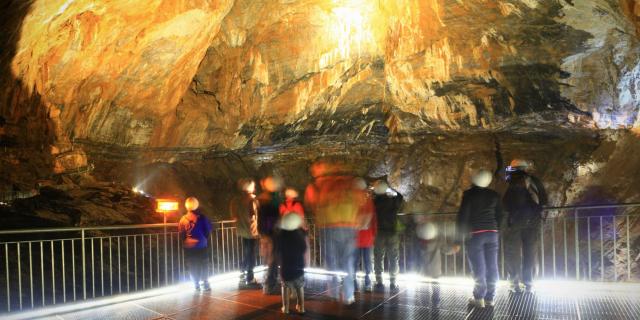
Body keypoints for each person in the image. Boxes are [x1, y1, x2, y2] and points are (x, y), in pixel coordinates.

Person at [304, 161, 366, 305]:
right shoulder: (351, 184)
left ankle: (332, 292)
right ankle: (348, 295)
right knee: (348, 261)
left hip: (329, 227)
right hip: (349, 227)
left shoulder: (323, 185)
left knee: (331, 261)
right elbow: (361, 202)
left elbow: (312, 202)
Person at [455, 169, 503, 308]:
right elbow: (501, 215)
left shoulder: (469, 194)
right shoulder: (494, 195)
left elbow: (463, 217)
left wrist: (458, 240)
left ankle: (479, 297)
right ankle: (490, 298)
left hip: (476, 234)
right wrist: (497, 229)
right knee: (492, 265)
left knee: (478, 267)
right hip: (492, 233)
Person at [503, 159, 547, 294]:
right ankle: (528, 283)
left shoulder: (510, 182)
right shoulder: (536, 181)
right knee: (531, 253)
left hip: (515, 223)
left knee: (512, 252)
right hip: (533, 222)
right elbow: (544, 202)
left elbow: (506, 203)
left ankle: (514, 283)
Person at [372, 180, 404, 291]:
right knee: (393, 258)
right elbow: (400, 196)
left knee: (378, 257)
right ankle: (393, 282)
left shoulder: (376, 201)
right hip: (392, 232)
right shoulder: (393, 201)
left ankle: (379, 282)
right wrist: (391, 189)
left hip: (379, 232)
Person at [178, 197, 213, 291]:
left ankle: (196, 285)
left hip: (189, 246)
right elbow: (208, 231)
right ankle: (205, 283)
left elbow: (182, 234)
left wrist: (186, 241)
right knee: (204, 264)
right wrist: (204, 239)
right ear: (197, 205)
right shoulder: (202, 218)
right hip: (201, 244)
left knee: (193, 265)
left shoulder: (183, 219)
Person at [257, 176, 284, 294]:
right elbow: (278, 217)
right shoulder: (275, 200)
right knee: (273, 257)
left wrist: (261, 231)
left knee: (268, 257)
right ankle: (270, 282)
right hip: (274, 232)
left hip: (265, 232)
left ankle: (268, 282)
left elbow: (260, 218)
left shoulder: (262, 199)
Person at [230, 178, 259, 286]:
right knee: (251, 254)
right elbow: (253, 216)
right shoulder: (251, 200)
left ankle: (242, 272)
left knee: (247, 252)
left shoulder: (235, 200)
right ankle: (250, 277)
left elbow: (234, 216)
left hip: (241, 230)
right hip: (251, 231)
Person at [277, 213, 307, 314]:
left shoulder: (281, 236)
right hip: (298, 267)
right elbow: (304, 248)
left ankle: (285, 308)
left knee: (285, 287)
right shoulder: (299, 235)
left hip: (286, 268)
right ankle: (301, 307)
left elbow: (278, 250)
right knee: (300, 287)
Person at [353, 178, 376, 292]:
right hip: (367, 238)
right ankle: (368, 284)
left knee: (355, 263)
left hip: (356, 238)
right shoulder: (368, 201)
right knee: (368, 263)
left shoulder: (353, 201)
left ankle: (355, 285)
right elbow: (372, 218)